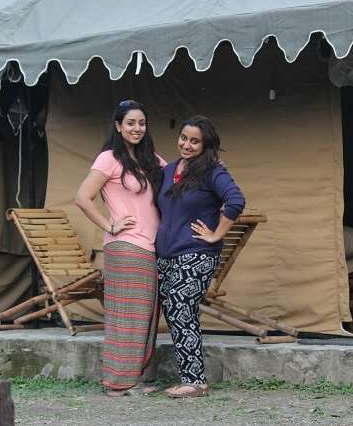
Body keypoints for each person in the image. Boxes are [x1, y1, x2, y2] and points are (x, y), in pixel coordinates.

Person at [75, 100, 165, 396]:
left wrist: (211, 165)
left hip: (149, 247)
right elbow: (83, 197)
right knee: (127, 315)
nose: (137, 128)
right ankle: (118, 383)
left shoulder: (150, 159)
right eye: (130, 123)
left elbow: (179, 175)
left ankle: (129, 379)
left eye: (141, 123)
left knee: (142, 316)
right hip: (126, 246)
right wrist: (109, 224)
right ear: (117, 126)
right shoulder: (108, 159)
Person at [155, 115, 245, 398]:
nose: (187, 145)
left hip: (196, 254)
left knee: (181, 306)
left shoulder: (213, 170)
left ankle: (195, 382)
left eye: (195, 141)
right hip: (167, 255)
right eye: (184, 138)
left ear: (205, 145)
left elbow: (235, 200)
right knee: (177, 313)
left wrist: (216, 234)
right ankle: (192, 378)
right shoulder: (168, 170)